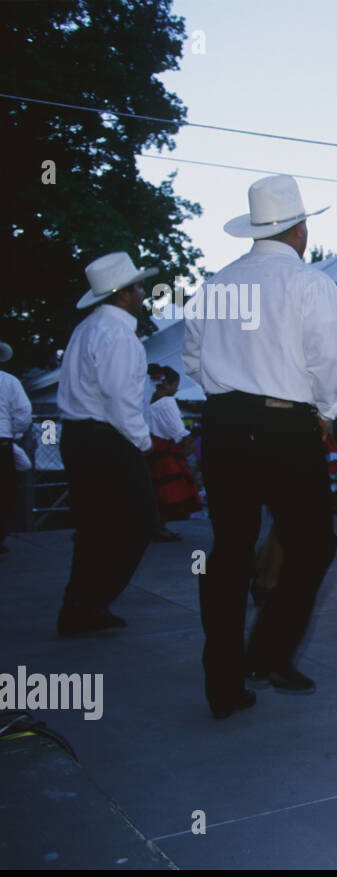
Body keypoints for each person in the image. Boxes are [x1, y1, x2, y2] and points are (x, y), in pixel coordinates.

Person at [184, 174, 337, 719]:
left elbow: (193, 358)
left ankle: (224, 681)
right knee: (314, 543)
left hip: (224, 423)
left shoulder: (214, 285)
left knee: (230, 548)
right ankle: (270, 652)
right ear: (301, 229)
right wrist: (326, 413)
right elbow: (329, 361)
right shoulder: (310, 283)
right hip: (284, 427)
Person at [56, 252, 158, 636]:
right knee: (137, 521)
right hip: (107, 439)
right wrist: (143, 442)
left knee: (93, 527)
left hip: (80, 436)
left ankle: (81, 605)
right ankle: (92, 600)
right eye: (137, 287)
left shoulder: (87, 328)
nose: (143, 293)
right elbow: (120, 399)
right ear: (123, 294)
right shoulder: (119, 335)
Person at [146, 366, 200, 541]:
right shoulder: (167, 402)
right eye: (175, 385)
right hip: (167, 448)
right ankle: (160, 526)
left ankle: (156, 525)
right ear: (166, 384)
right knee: (170, 489)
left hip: (155, 445)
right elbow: (175, 426)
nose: (177, 389)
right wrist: (186, 439)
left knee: (157, 489)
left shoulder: (151, 402)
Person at [0, 341, 32, 554]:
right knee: (4, 492)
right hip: (2, 442)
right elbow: (23, 412)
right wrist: (14, 434)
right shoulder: (9, 381)